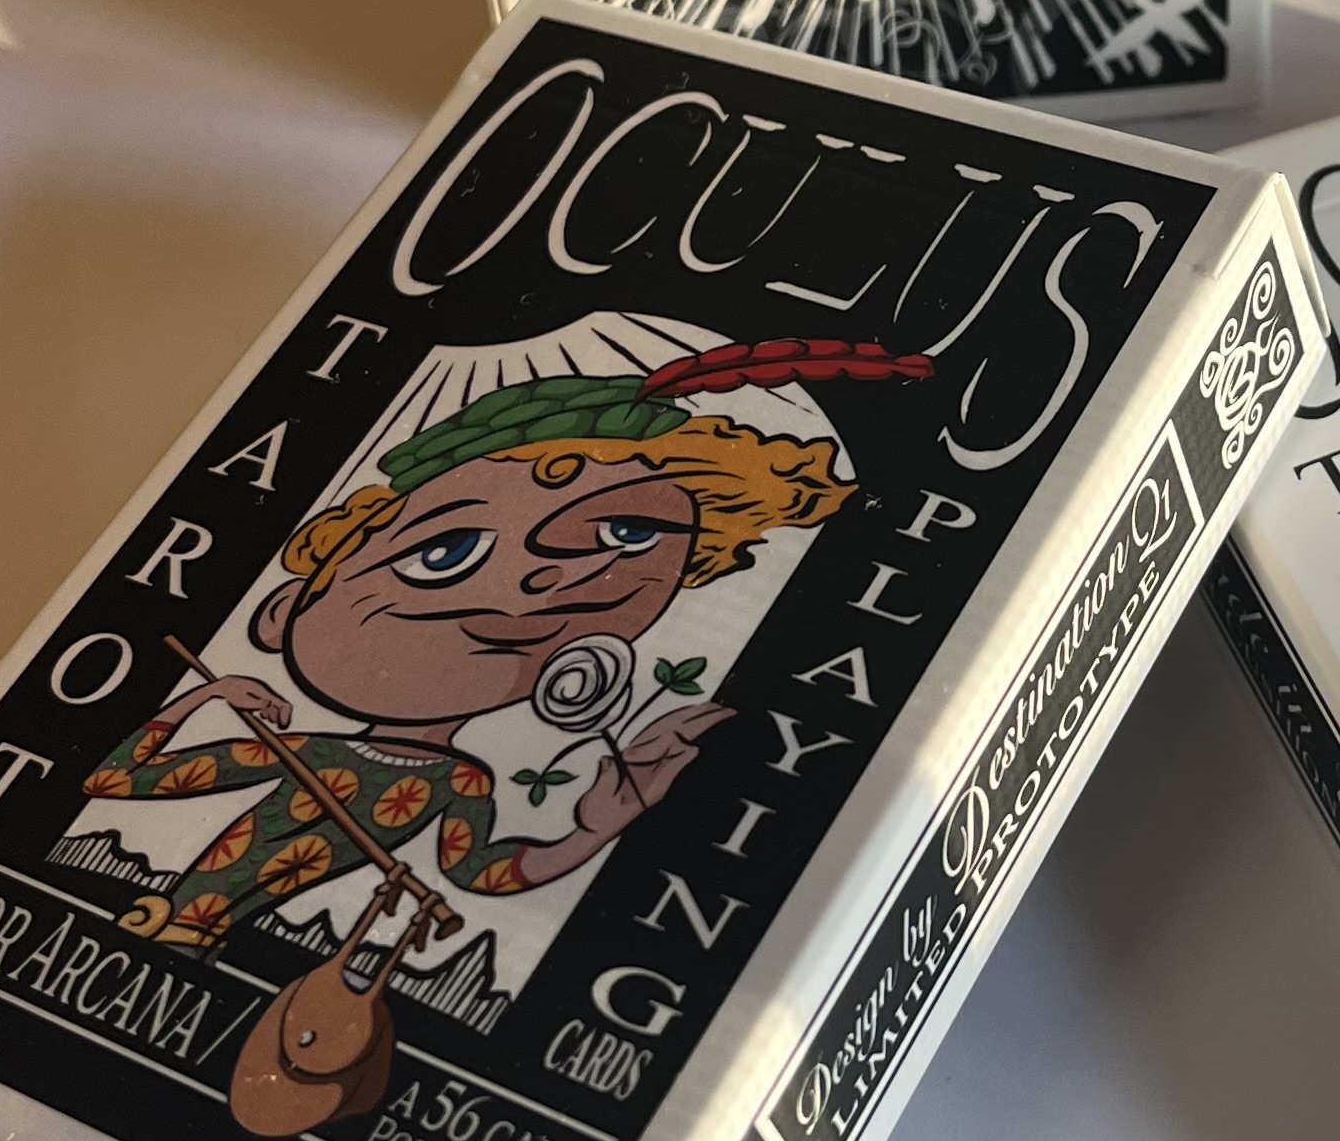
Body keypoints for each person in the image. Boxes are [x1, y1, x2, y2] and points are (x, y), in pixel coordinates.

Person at [86, 350, 890, 950]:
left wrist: (598, 825)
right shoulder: (301, 753)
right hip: (172, 918)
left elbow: (487, 872)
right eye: (443, 552)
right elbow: (114, 781)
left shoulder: (460, 782)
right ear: (283, 610)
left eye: (625, 534)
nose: (532, 585)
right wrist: (208, 693)